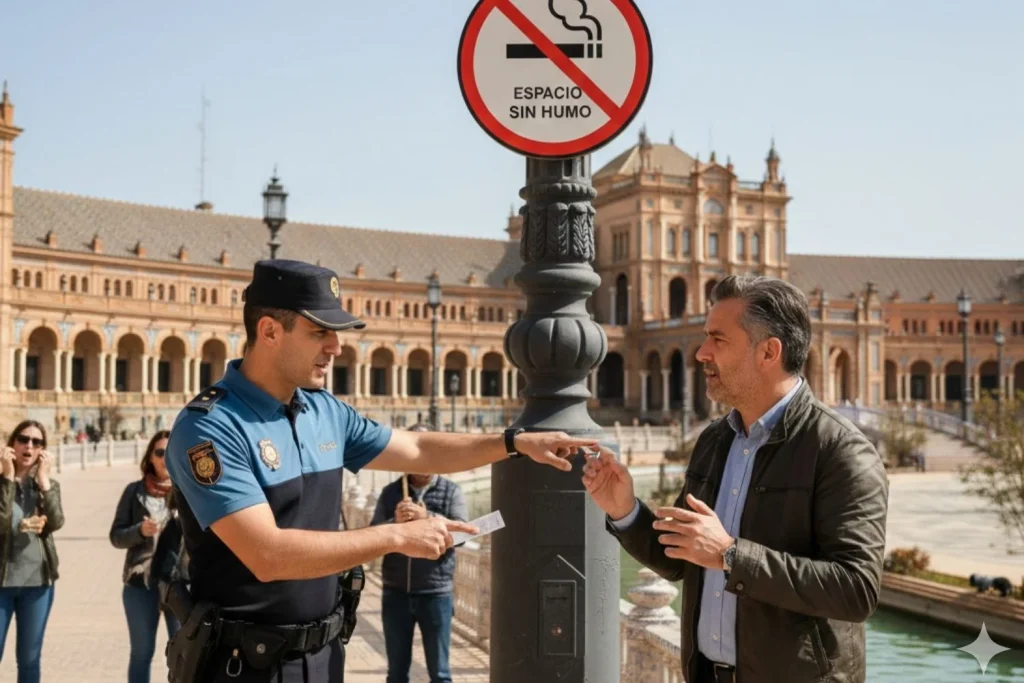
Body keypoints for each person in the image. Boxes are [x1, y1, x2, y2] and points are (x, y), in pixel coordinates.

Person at [164, 259, 596, 683]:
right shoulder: (210, 428)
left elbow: (418, 446)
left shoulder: (323, 411)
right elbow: (267, 555)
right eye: (319, 332)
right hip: (241, 666)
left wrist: (513, 443)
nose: (336, 348)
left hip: (324, 657)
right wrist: (396, 536)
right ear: (270, 331)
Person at [582, 274, 889, 682]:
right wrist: (625, 510)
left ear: (769, 352)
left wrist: (730, 555)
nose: (701, 353)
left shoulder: (840, 449)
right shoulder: (715, 440)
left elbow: (856, 589)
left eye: (718, 340)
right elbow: (682, 557)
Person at [371, 423, 467, 683]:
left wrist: (429, 517)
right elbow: (371, 536)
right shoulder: (391, 493)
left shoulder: (451, 492)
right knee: (397, 672)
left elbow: (463, 536)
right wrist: (394, 524)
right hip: (396, 592)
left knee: (440, 672)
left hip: (435, 593)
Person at [109, 429, 184, 683]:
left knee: (184, 655)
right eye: (160, 452)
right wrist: (139, 531)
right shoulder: (134, 492)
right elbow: (116, 537)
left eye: (170, 452)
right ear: (150, 457)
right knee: (141, 654)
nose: (165, 458)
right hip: (141, 583)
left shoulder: (187, 491)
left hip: (179, 584)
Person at [0, 420, 64, 683]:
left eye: (36, 442)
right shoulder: (1, 482)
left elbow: (57, 521)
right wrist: (6, 478)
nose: (29, 446)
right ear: (12, 444)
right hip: (2, 584)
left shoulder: (47, 485)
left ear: (42, 450)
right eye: (23, 439)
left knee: (29, 660)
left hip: (37, 583)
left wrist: (44, 481)